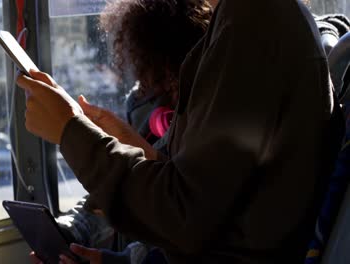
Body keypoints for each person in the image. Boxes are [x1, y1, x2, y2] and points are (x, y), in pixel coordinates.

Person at [18, 0, 345, 263]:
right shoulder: (240, 21)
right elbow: (208, 195)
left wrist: (70, 131)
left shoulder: (255, 19)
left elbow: (183, 218)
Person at [33, 0, 212, 263]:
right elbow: (111, 190)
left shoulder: (206, 115)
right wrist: (68, 233)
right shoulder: (141, 102)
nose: (146, 84)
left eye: (161, 75)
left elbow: (170, 208)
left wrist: (117, 260)